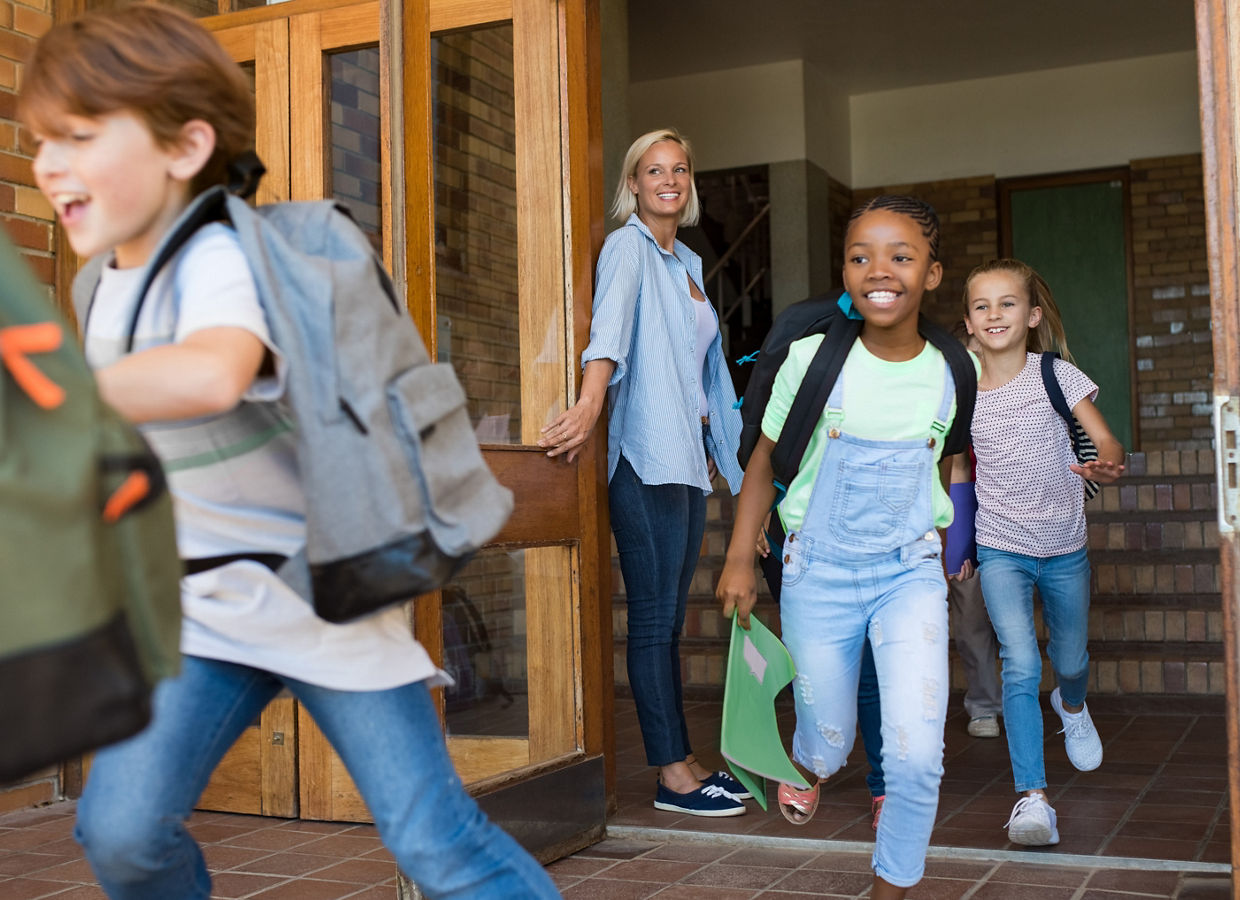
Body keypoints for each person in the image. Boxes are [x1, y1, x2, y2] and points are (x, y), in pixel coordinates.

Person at [19, 7, 559, 898]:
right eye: (41, 142)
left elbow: (214, 370)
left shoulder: (222, 253)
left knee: (433, 843)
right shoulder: (96, 283)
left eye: (77, 137)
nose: (49, 165)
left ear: (185, 147)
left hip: (323, 597)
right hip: (200, 608)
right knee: (119, 832)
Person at [717, 195, 974, 898]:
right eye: (860, 256)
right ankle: (806, 757)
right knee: (828, 741)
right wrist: (742, 557)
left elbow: (948, 463)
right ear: (844, 271)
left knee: (918, 754)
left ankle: (891, 886)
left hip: (908, 574)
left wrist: (954, 554)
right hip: (816, 571)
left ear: (932, 273)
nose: (878, 270)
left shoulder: (953, 370)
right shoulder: (812, 359)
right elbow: (764, 464)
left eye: (901, 256)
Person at [539, 127, 748, 817]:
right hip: (644, 457)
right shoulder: (628, 247)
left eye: (680, 169)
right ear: (633, 184)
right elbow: (609, 329)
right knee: (655, 619)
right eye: (654, 170)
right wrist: (591, 402)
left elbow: (704, 373)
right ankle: (673, 776)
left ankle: (683, 760)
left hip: (685, 460)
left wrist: (730, 463)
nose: (669, 179)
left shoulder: (684, 261)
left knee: (670, 621)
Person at [964, 258, 1125, 847]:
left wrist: (1108, 458)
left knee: (1071, 658)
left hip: (1064, 547)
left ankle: (1072, 704)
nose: (994, 314)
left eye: (1007, 303)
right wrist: (956, 540)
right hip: (1000, 545)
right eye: (982, 306)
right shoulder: (962, 388)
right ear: (969, 322)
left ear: (1031, 316)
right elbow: (957, 467)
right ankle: (1032, 798)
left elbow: (1104, 436)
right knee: (1021, 663)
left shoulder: (1055, 374)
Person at [945, 327, 1004, 740]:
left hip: (994, 525)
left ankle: (991, 704)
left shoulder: (1007, 403)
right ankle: (980, 705)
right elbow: (956, 470)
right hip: (946, 519)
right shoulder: (946, 405)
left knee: (983, 623)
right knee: (958, 620)